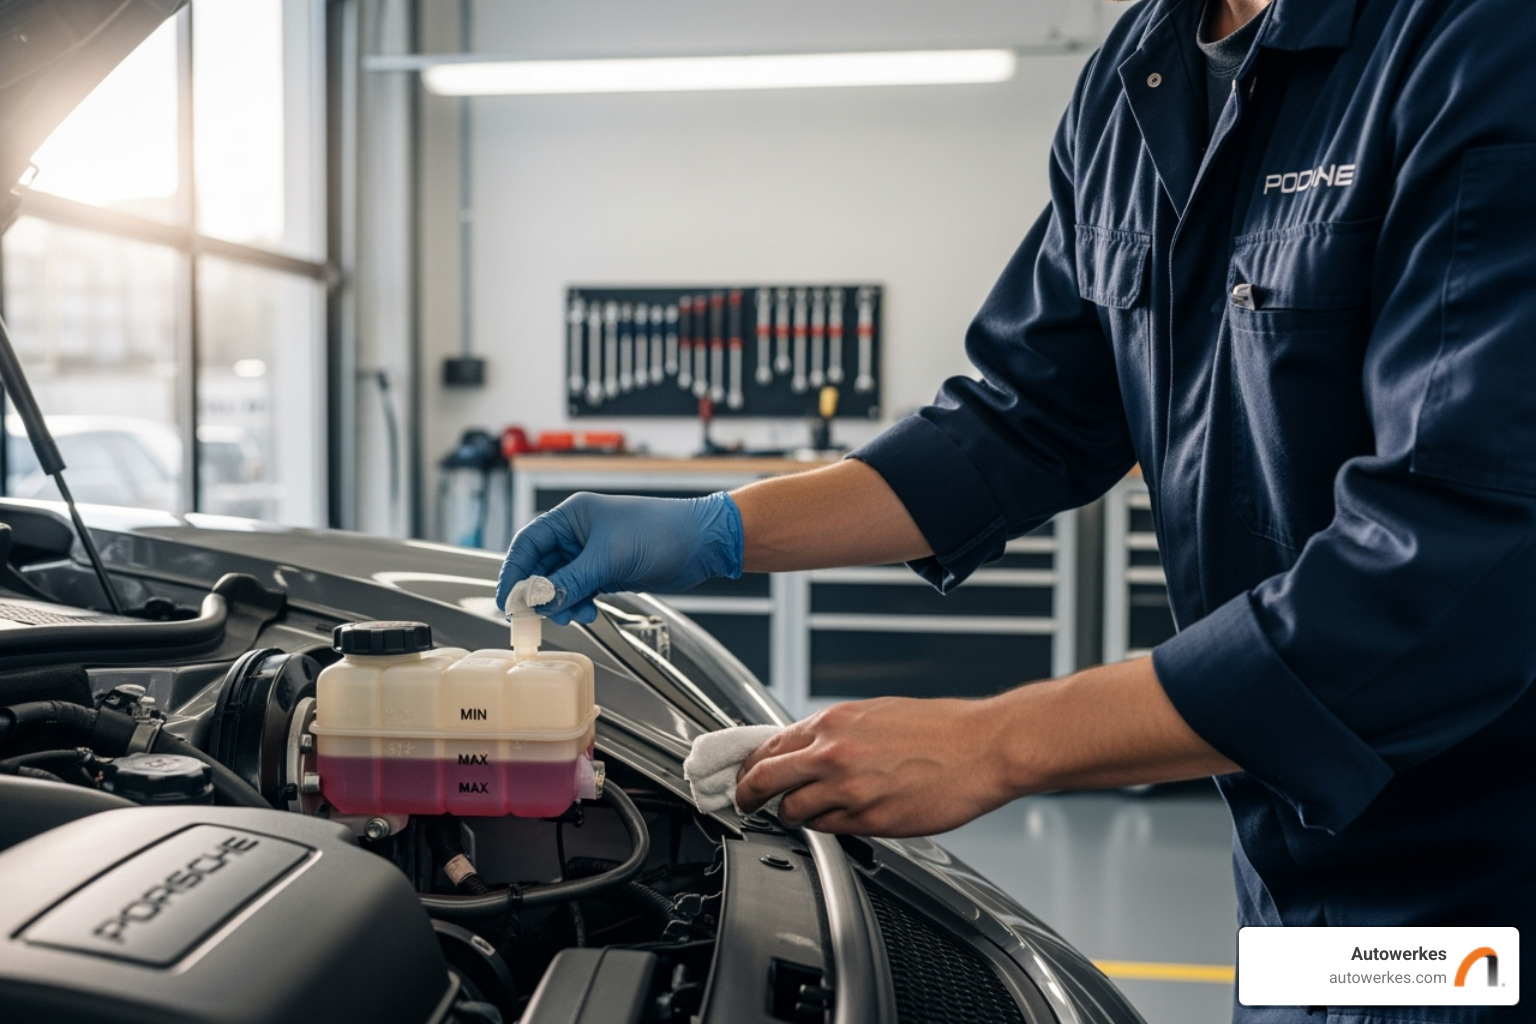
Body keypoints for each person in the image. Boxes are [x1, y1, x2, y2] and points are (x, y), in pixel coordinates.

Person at [498, 0, 1535, 1020]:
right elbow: (1025, 416)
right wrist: (718, 528)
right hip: (1296, 858)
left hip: (1485, 874)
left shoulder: (1477, 40)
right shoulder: (1144, 71)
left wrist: (997, 743)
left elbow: (1458, 559)